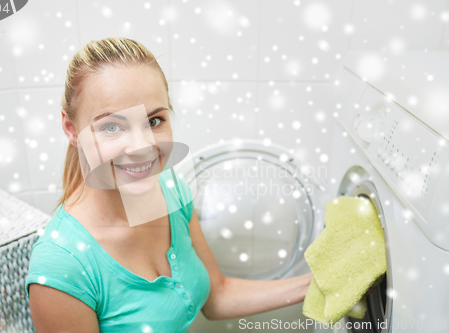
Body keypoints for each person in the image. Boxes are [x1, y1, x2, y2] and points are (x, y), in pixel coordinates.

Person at [25, 37, 313, 333]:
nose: (142, 147)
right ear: (70, 129)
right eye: (112, 126)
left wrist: (321, 283)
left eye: (154, 121)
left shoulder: (171, 188)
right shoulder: (63, 266)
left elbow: (218, 296)